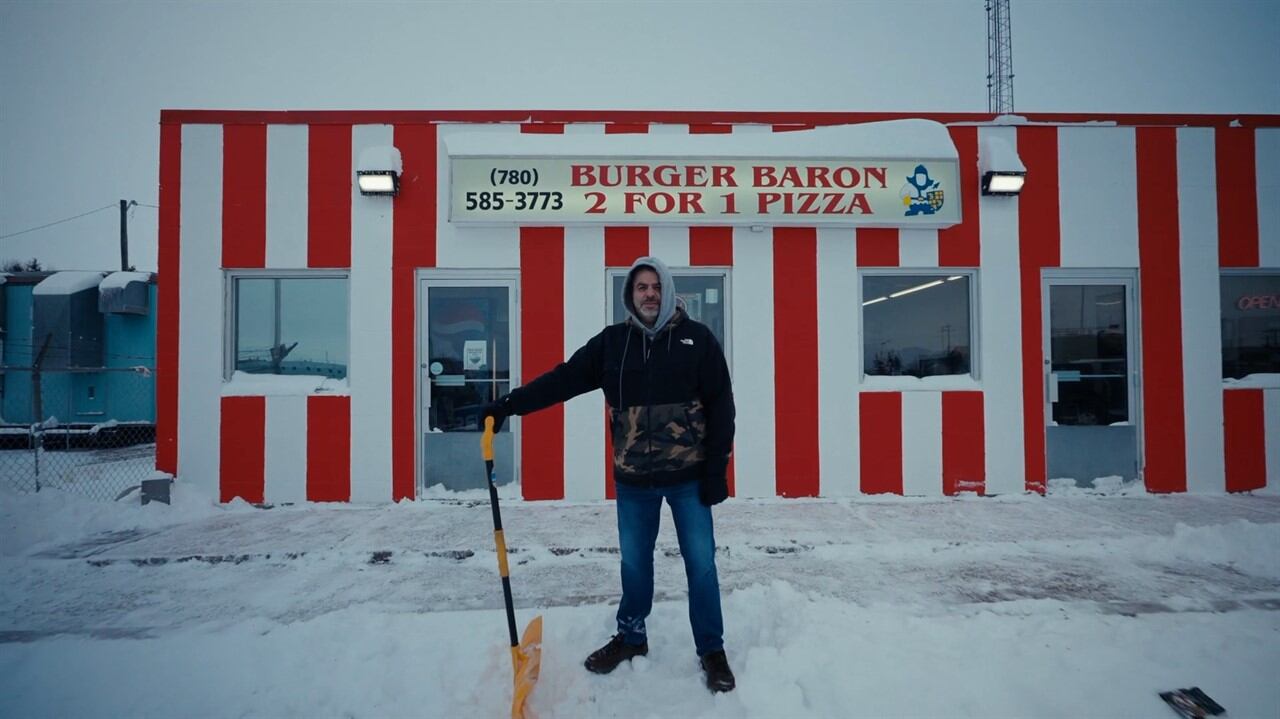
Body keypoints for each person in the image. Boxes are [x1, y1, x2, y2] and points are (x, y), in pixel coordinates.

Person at [482, 256, 737, 693]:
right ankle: (632, 637)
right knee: (635, 566)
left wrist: (716, 470)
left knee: (702, 565)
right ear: (630, 295)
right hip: (634, 480)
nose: (650, 293)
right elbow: (562, 380)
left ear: (669, 290)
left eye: (656, 285)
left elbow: (721, 406)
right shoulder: (611, 345)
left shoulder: (698, 340)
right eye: (641, 287)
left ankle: (711, 650)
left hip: (689, 478)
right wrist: (509, 405)